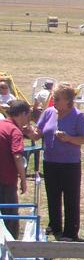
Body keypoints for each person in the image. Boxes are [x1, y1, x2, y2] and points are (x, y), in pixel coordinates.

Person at [29, 84, 84, 242]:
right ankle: (55, 226)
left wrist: (69, 138)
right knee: (52, 195)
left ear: (68, 101)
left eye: (57, 98)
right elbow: (38, 134)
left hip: (70, 164)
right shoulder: (49, 112)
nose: (53, 101)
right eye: (53, 97)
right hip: (50, 161)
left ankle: (70, 232)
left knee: (71, 197)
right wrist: (30, 132)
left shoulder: (77, 116)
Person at [0, 100, 34, 238]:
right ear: (22, 114)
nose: (28, 120)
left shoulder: (1, 125)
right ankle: (12, 249)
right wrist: (24, 180)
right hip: (6, 180)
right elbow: (18, 157)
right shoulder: (15, 131)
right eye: (28, 116)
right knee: (10, 216)